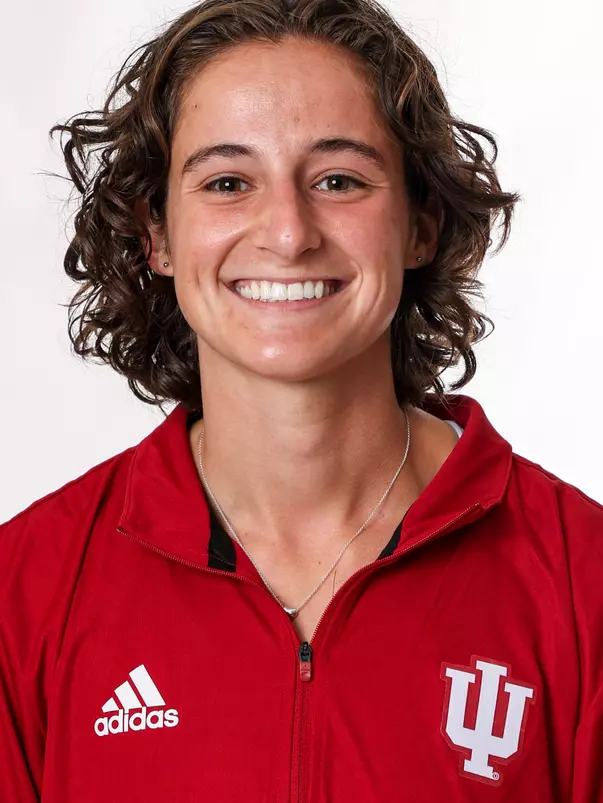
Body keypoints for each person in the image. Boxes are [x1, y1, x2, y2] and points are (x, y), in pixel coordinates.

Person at [1, 0, 601, 799]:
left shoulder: (581, 577)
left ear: (419, 225)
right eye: (226, 182)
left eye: (338, 179)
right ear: (159, 236)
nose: (287, 231)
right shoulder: (26, 589)